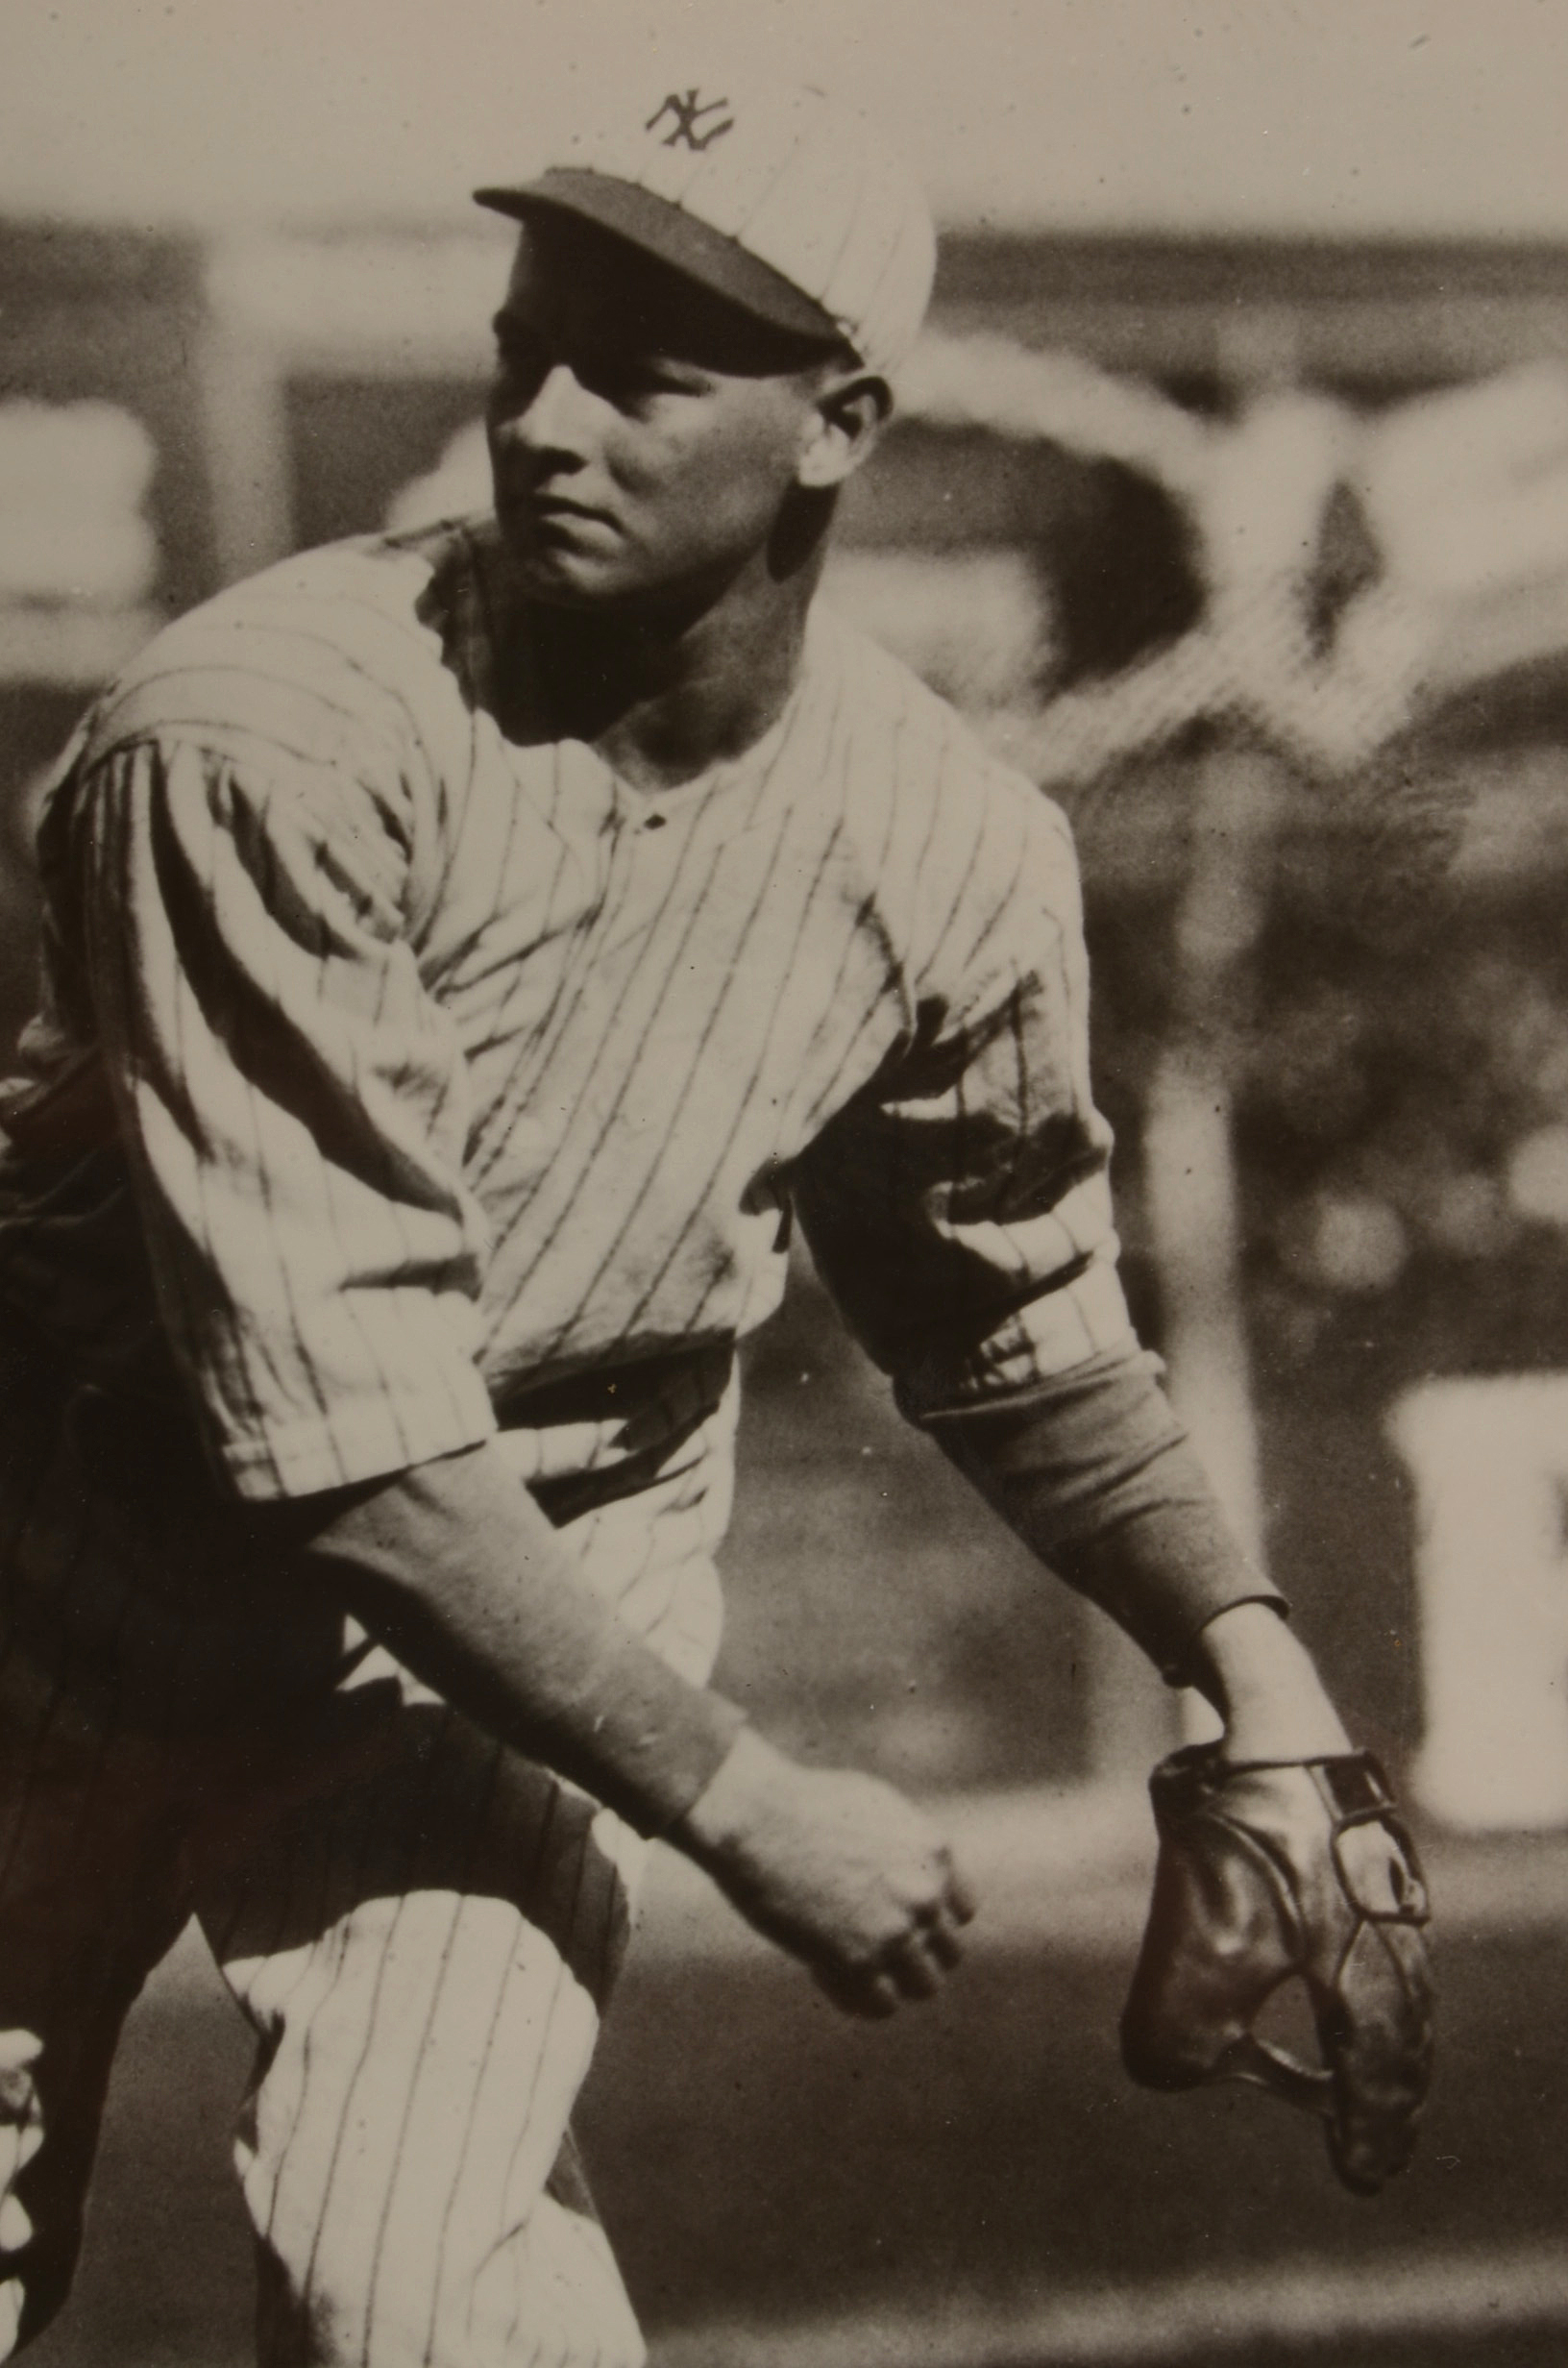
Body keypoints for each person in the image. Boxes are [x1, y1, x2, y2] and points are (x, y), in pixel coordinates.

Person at [0, 69, 1401, 2368]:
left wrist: (1260, 1667)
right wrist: (754, 1804)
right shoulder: (257, 736)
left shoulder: (948, 846)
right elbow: (342, 1449)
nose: (542, 420)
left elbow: (1021, 1332)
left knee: (416, 2274)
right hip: (62, 1523)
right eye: (523, 344)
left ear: (837, 422)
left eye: (639, 373)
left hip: (547, 1522)